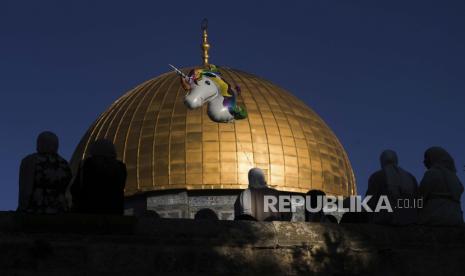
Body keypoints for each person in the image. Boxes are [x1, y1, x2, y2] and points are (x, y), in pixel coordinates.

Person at [18, 131, 72, 214]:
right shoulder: (65, 164)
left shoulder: (31, 161)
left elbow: (26, 190)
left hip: (37, 209)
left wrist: (22, 209)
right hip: (61, 211)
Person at [70, 139, 127, 215]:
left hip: (89, 212)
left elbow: (75, 189)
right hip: (113, 213)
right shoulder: (120, 167)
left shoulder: (87, 166)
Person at [365, 150, 418, 225]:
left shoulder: (377, 176)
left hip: (385, 220)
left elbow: (370, 202)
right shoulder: (411, 178)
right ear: (396, 160)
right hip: (409, 221)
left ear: (382, 162)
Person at [418, 147, 464, 226]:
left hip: (436, 214)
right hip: (456, 216)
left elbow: (422, 195)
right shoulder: (454, 177)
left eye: (427, 158)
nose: (424, 161)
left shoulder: (432, 173)